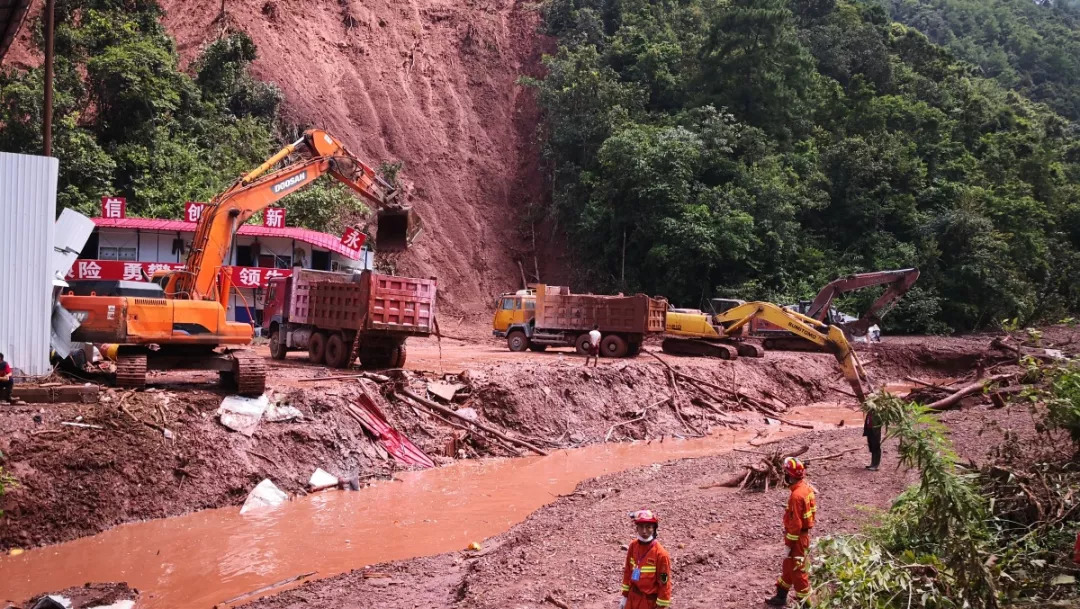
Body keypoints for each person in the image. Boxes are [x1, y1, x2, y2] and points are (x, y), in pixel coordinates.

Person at [765, 457, 816, 607]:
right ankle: (780, 597)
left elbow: (796, 525)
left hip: (798, 540)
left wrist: (789, 544)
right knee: (788, 567)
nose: (785, 476)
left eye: (786, 473)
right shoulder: (805, 488)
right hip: (800, 537)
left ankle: (806, 604)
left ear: (791, 475)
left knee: (799, 572)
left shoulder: (796, 496)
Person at [620, 509, 672, 609]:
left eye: (648, 527)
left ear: (654, 529)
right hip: (632, 598)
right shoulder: (633, 546)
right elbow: (627, 571)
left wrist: (661, 605)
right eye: (641, 526)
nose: (644, 531)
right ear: (637, 528)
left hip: (648, 602)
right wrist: (624, 596)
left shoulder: (661, 554)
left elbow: (664, 583)